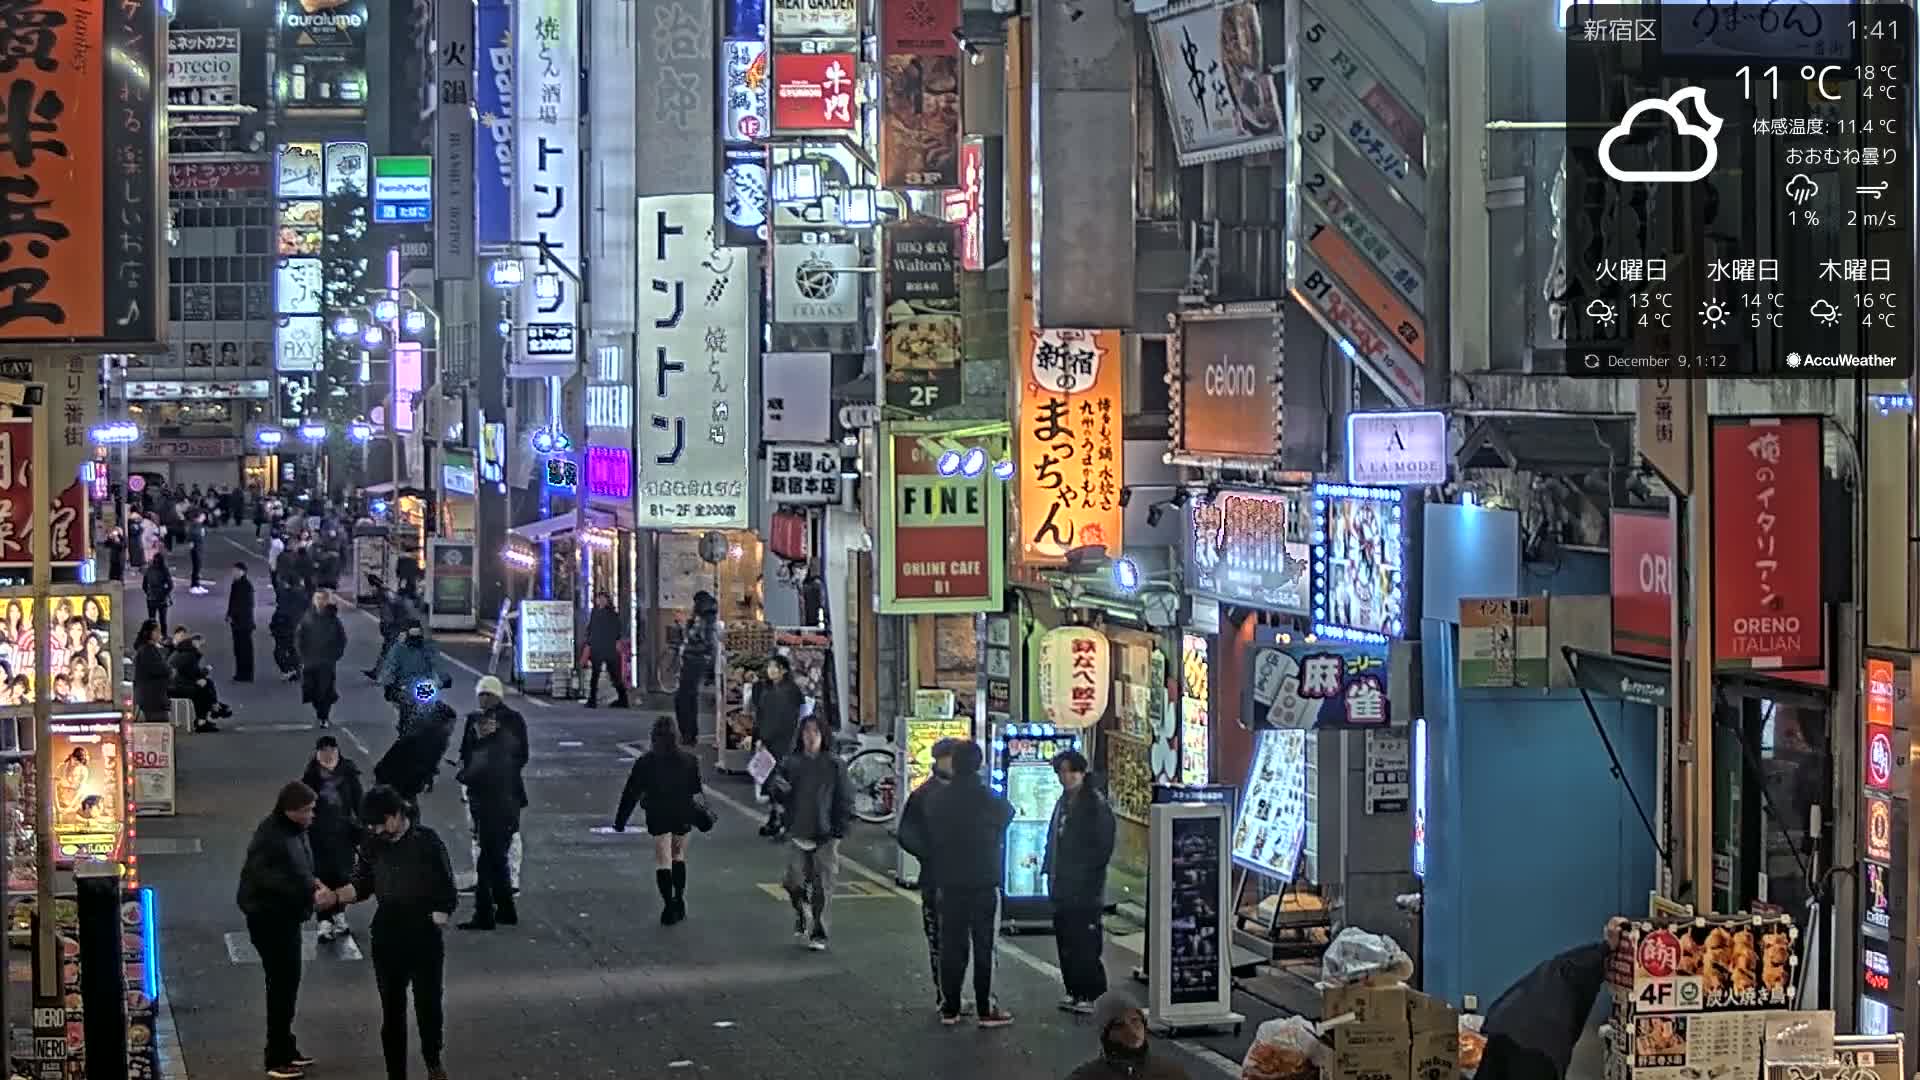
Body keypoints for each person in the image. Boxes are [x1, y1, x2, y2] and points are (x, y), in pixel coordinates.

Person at [326, 785, 457, 1080]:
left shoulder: (428, 843)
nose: (375, 830)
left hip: (424, 934)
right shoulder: (373, 844)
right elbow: (362, 884)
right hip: (388, 934)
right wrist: (334, 897)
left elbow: (447, 889)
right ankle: (395, 1073)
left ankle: (433, 1061)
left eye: (379, 823)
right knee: (392, 1011)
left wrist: (441, 911)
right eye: (370, 826)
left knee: (428, 1004)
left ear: (397, 815)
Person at [235, 781, 330, 1079]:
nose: (312, 815)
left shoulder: (292, 831)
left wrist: (311, 882)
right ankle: (275, 1056)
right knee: (281, 986)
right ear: (291, 810)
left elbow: (299, 868)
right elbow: (268, 880)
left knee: (287, 984)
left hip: (285, 917)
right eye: (307, 810)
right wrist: (307, 892)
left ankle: (286, 1047)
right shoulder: (272, 837)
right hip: (271, 919)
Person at [897, 737, 997, 1017]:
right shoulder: (926, 794)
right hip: (939, 879)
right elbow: (907, 834)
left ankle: (960, 1000)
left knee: (962, 941)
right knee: (942, 940)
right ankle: (948, 996)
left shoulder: (965, 792)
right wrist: (932, 854)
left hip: (958, 877)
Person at [923, 739, 1016, 1027]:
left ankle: (949, 1006)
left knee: (952, 944)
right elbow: (1008, 815)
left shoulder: (938, 798)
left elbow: (928, 828)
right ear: (978, 764)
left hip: (949, 881)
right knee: (985, 945)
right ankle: (985, 1008)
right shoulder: (987, 797)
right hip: (983, 880)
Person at [1476, 919, 1627, 1080]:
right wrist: (1608, 946)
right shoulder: (1586, 970)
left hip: (1503, 1027)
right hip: (1539, 1047)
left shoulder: (1561, 965)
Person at [767, 715, 852, 951]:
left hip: (826, 834)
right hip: (797, 830)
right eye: (806, 731)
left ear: (823, 735)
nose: (811, 736)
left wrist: (840, 828)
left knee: (822, 885)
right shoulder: (791, 763)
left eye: (815, 732)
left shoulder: (835, 765)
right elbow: (776, 790)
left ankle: (819, 931)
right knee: (793, 881)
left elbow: (845, 798)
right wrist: (778, 788)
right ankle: (802, 912)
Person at [613, 716, 704, 924]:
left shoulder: (645, 762)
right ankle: (679, 897)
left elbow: (631, 793)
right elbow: (696, 790)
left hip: (657, 812)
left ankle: (668, 904)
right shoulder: (689, 761)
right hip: (683, 811)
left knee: (663, 859)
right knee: (678, 855)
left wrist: (621, 821)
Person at [1046, 749, 1117, 1012]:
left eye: (1071, 771)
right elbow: (1053, 838)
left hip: (1085, 887)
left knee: (1085, 941)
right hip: (1062, 883)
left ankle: (1092, 993)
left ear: (1082, 772)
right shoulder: (1063, 802)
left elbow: (1102, 847)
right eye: (1062, 772)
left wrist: (1087, 877)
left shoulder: (1095, 805)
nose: (1066, 777)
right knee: (1066, 938)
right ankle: (1073, 989)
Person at [456, 706, 523, 930]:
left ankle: (484, 915)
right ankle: (506, 910)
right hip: (507, 812)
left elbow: (471, 776)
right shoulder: (505, 744)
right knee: (497, 862)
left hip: (492, 813)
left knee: (486, 867)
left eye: (483, 724)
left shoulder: (488, 750)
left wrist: (462, 773)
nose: (480, 728)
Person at [462, 676, 529, 891]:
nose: (482, 699)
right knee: (486, 832)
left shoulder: (507, 720)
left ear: (495, 696)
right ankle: (492, 878)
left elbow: (520, 754)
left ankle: (505, 879)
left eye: (486, 695)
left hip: (497, 787)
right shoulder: (478, 720)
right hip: (494, 786)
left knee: (502, 831)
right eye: (480, 695)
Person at [302, 735, 365, 943]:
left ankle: (339, 915)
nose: (328, 754)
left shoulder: (348, 772)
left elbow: (359, 802)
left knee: (343, 875)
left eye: (331, 750)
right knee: (322, 876)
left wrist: (364, 826)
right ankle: (324, 921)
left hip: (344, 835)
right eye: (324, 750)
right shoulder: (311, 776)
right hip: (318, 836)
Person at [1064, 991, 1193, 1080]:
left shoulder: (1171, 1074)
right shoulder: (1086, 1077)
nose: (1131, 1031)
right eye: (1119, 1025)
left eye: (1135, 1021)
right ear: (1105, 1034)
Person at [751, 653, 806, 838]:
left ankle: (783, 821)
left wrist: (762, 739)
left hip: (779, 743)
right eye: (769, 667)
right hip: (775, 743)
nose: (771, 671)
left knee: (778, 782)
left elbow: (776, 720)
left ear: (783, 671)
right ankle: (776, 819)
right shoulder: (774, 690)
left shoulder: (784, 693)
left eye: (775, 667)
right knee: (773, 783)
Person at [375, 702, 458, 812]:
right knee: (403, 815)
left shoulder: (424, 729)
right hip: (396, 781)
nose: (453, 728)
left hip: (388, 776)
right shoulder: (437, 739)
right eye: (450, 724)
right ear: (441, 723)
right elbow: (421, 767)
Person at [379, 623, 451, 735]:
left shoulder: (429, 649)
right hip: (404, 686)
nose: (415, 641)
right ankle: (403, 728)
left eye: (417, 638)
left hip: (426, 684)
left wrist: (443, 679)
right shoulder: (398, 649)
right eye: (413, 637)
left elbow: (437, 665)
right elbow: (389, 667)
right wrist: (388, 681)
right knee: (404, 703)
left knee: (439, 706)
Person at [296, 590, 347, 729]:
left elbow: (341, 639)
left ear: (326, 601)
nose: (318, 601)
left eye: (321, 599)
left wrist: (335, 655)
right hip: (310, 660)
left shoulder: (332, 619)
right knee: (311, 689)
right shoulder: (307, 617)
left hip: (326, 661)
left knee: (325, 690)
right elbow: (300, 636)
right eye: (316, 598)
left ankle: (323, 716)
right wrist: (301, 654)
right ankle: (319, 711)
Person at [673, 591, 719, 746]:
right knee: (686, 698)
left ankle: (688, 734)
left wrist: (685, 626)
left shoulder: (704, 619)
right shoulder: (704, 618)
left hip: (694, 661)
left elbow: (706, 642)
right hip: (692, 660)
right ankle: (688, 733)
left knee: (685, 699)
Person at [167, 627, 230, 731]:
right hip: (176, 687)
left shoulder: (182, 651)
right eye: (200, 644)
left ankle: (212, 709)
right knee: (202, 690)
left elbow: (188, 673)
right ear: (195, 642)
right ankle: (207, 715)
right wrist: (206, 671)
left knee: (206, 684)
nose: (201, 647)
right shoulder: (189, 654)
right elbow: (192, 673)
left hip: (175, 684)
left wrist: (199, 678)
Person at [583, 591, 629, 709]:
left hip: (609, 647)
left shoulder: (612, 614)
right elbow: (591, 629)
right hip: (598, 647)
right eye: (599, 599)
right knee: (595, 674)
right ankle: (592, 699)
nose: (601, 601)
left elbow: (616, 629)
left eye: (603, 599)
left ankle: (623, 699)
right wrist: (589, 644)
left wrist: (616, 642)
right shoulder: (595, 612)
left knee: (614, 675)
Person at [131, 619, 172, 724]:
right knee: (158, 728)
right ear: (149, 633)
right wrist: (169, 670)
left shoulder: (147, 649)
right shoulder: (147, 651)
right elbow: (160, 669)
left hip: (153, 697)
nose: (160, 634)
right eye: (157, 631)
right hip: (152, 699)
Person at [270, 571, 307, 682]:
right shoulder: (302, 594)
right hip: (295, 625)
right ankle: (297, 670)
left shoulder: (285, 594)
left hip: (284, 625)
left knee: (279, 650)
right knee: (292, 648)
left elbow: (281, 609)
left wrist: (274, 625)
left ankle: (288, 670)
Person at [228, 561, 256, 682]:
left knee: (245, 649)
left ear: (242, 572)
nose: (233, 573)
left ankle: (247, 674)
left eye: (236, 571)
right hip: (237, 621)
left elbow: (244, 605)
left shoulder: (246, 586)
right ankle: (240, 672)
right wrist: (229, 614)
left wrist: (233, 614)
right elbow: (232, 601)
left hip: (244, 623)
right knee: (238, 649)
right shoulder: (236, 584)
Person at [142, 552, 173, 631]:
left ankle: (151, 637)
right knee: (163, 620)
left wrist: (148, 592)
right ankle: (163, 637)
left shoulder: (149, 569)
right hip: (161, 598)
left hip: (151, 597)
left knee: (152, 620)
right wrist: (165, 593)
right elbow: (170, 585)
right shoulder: (164, 570)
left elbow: (144, 585)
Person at [187, 510, 209, 593]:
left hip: (199, 547)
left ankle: (197, 585)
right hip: (196, 548)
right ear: (199, 516)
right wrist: (191, 543)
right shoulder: (194, 525)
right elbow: (191, 535)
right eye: (203, 515)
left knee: (198, 567)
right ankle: (193, 586)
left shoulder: (199, 525)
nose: (204, 517)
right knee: (196, 567)